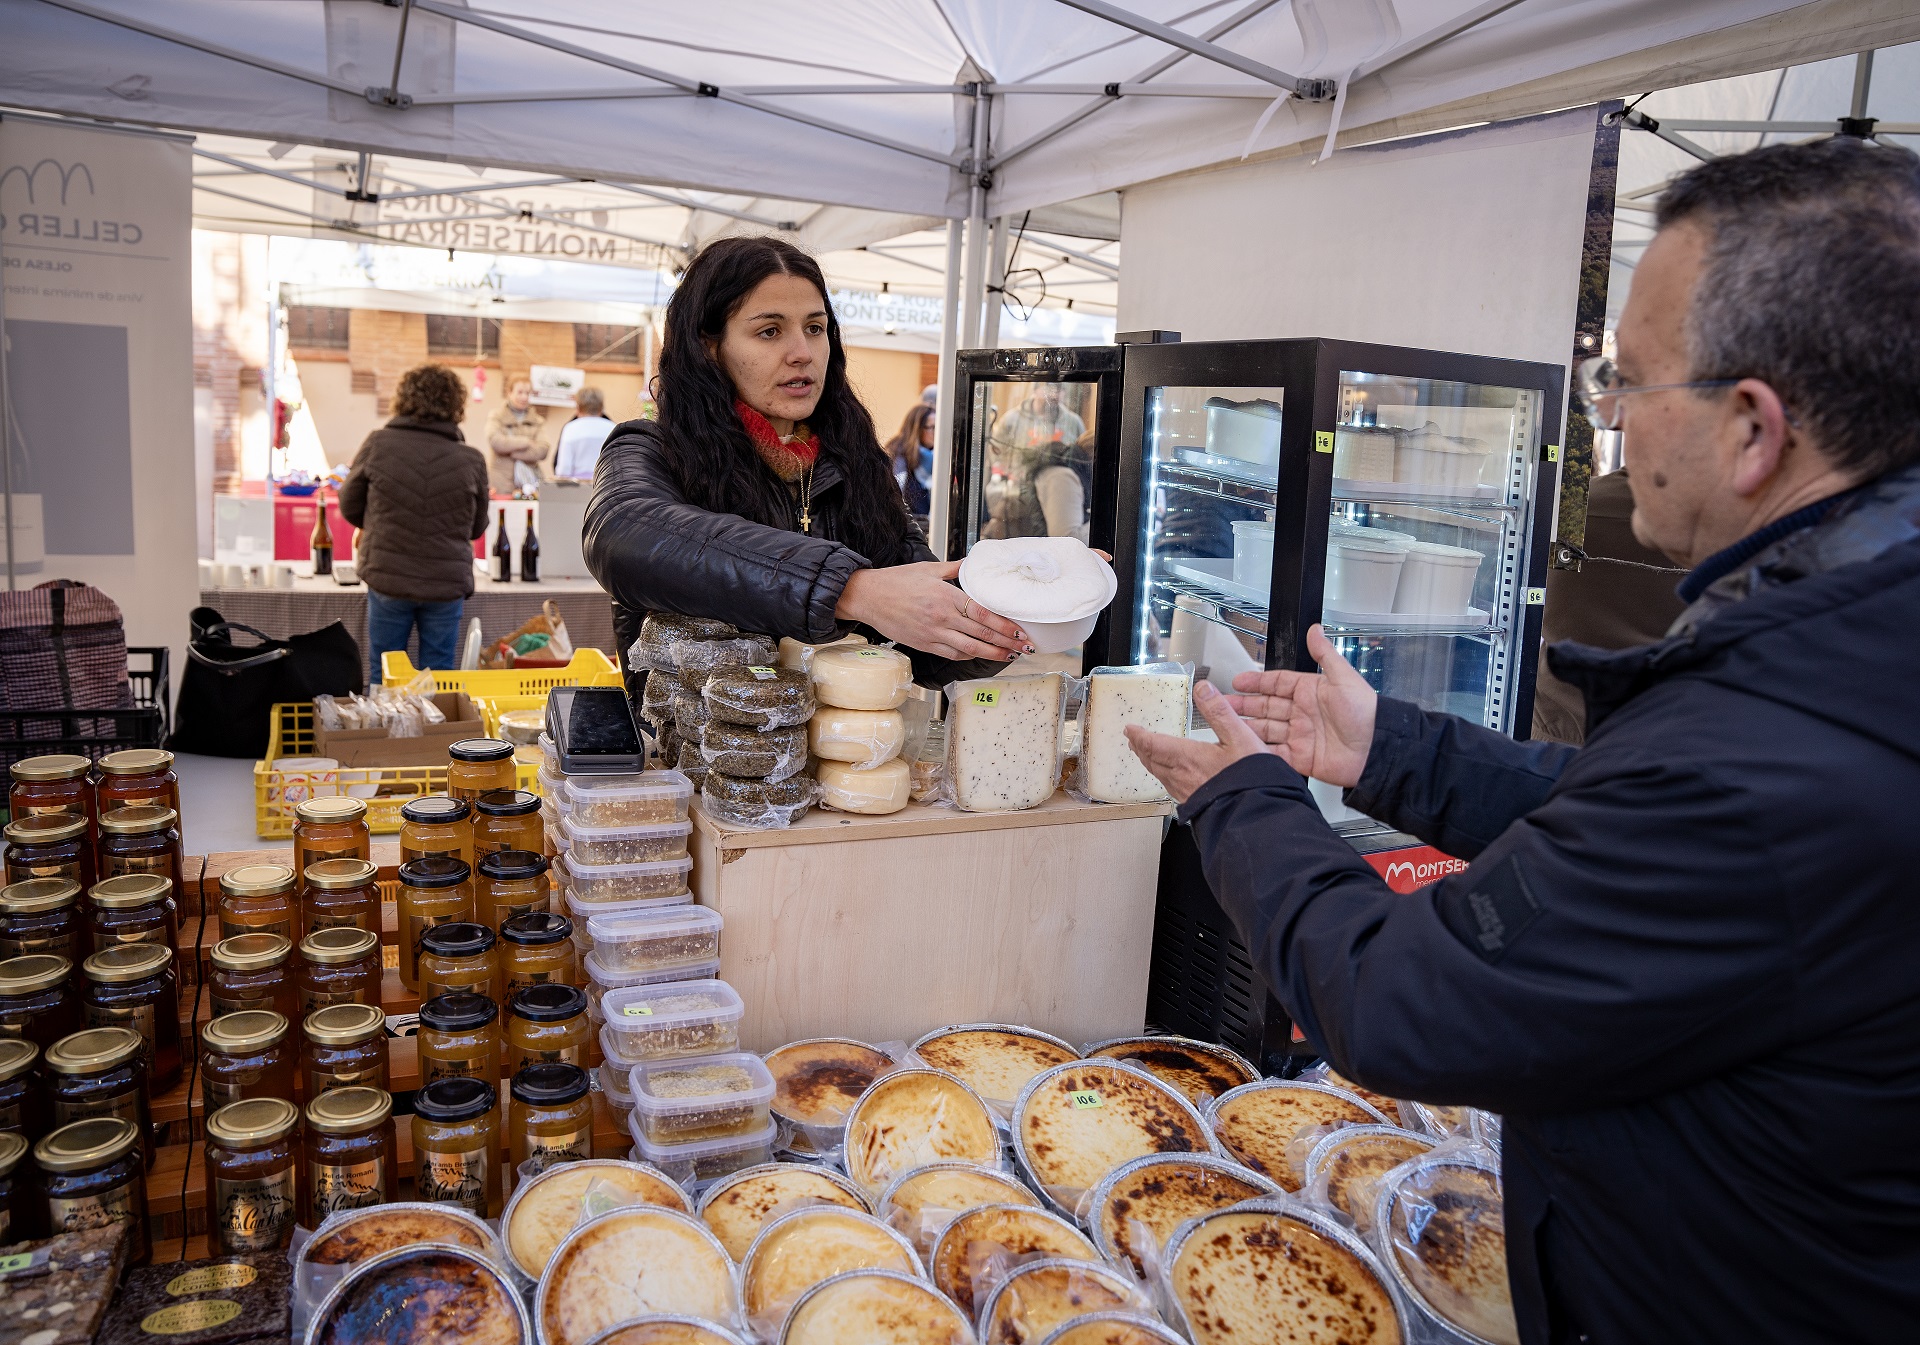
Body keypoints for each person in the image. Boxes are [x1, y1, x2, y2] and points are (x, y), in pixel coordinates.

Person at [1123, 137, 1920, 1342]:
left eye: (1629, 383)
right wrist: (1391, 748)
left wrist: (1243, 798)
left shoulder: (1773, 749)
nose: (1614, 420)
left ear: (1754, 429)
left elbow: (1400, 1002)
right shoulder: (1845, 654)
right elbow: (1629, 810)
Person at [585, 236, 1031, 697]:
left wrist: (1009, 615)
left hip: (849, 741)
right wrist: (848, 589)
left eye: (815, 328)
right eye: (769, 331)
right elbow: (622, 536)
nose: (803, 352)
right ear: (708, 347)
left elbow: (924, 642)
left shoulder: (853, 462)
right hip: (696, 741)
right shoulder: (650, 447)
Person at [338, 363, 491, 680]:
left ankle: (383, 716)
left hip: (388, 575)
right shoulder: (471, 460)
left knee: (385, 672)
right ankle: (434, 716)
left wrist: (379, 523)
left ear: (404, 398)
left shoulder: (378, 444)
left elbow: (349, 506)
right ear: (455, 405)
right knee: (438, 677)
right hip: (445, 582)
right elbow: (476, 528)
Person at [482, 378, 549, 494]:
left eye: (527, 393)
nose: (524, 397)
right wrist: (526, 442)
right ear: (509, 392)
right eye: (520, 392)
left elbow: (543, 449)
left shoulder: (538, 421)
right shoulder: (496, 416)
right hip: (501, 484)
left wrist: (511, 452)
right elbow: (495, 441)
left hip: (529, 485)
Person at [885, 401, 936, 518]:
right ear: (917, 429)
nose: (936, 432)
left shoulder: (940, 458)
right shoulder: (898, 456)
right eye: (932, 427)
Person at [554, 387, 615, 481]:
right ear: (602, 407)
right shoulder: (612, 428)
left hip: (577, 485)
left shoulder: (570, 428)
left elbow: (564, 469)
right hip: (605, 482)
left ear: (578, 407)